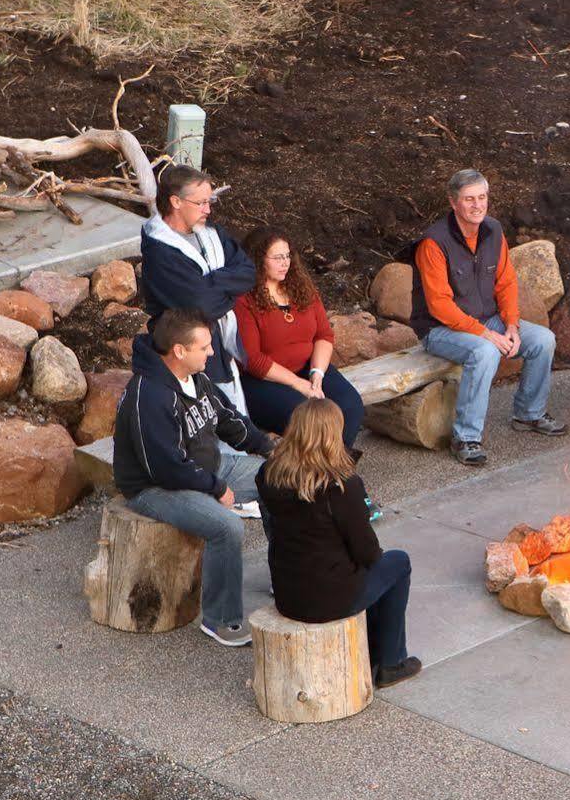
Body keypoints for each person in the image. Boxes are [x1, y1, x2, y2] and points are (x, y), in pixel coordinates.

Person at [112, 307, 273, 648]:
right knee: (227, 527)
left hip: (205, 467)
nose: (212, 352)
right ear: (180, 351)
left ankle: (288, 576)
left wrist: (269, 450)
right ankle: (221, 620)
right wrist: (217, 488)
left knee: (279, 478)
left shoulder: (195, 378)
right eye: (205, 347)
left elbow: (229, 419)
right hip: (154, 488)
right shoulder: (151, 396)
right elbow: (166, 468)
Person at [258, 398, 422, 689]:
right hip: (331, 599)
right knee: (397, 563)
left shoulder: (268, 475)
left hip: (287, 593)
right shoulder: (341, 486)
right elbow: (368, 552)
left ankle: (373, 646)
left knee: (367, 569)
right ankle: (391, 661)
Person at [409, 169, 568, 466]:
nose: (477, 205)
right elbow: (440, 306)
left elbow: (506, 282)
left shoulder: (493, 231)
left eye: (482, 197)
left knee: (543, 340)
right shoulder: (433, 243)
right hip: (439, 329)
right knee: (484, 352)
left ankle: (528, 414)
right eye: (469, 199)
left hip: (487, 320)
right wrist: (485, 334)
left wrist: (511, 325)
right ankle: (466, 437)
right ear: (453, 202)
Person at [232, 227, 365, 450]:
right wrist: (299, 385)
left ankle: (334, 466)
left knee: (350, 405)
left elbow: (324, 335)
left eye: (287, 256)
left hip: (306, 368)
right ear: (257, 259)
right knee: (311, 418)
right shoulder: (245, 300)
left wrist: (317, 374)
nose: (285, 263)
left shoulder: (302, 288)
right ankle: (329, 469)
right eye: (277, 258)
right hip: (264, 381)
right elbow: (253, 359)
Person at [139, 164, 256, 416]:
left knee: (230, 418)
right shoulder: (160, 250)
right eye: (201, 202)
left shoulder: (212, 234)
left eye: (209, 201)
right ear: (176, 202)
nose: (208, 209)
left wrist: (212, 282)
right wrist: (229, 290)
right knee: (201, 422)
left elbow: (248, 271)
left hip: (218, 347)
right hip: (182, 352)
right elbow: (200, 307)